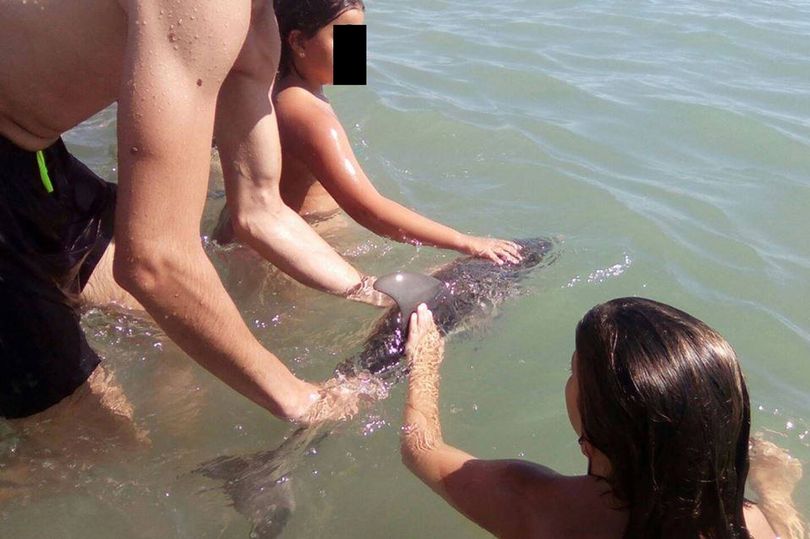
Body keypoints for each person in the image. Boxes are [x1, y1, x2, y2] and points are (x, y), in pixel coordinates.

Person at [0, 0, 375, 424]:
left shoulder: (257, 26)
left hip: (33, 153)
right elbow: (153, 261)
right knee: (96, 444)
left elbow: (260, 209)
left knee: (164, 327)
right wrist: (296, 398)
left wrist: (371, 291)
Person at [399, 299, 805, 538]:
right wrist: (777, 498)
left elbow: (421, 449)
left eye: (574, 369)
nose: (570, 373)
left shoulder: (537, 506)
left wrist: (424, 363)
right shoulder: (755, 524)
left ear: (595, 447)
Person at [214, 0, 523, 266]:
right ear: (298, 42)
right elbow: (368, 209)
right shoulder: (307, 114)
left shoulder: (270, 91)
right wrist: (466, 242)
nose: (357, 50)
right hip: (282, 251)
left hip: (255, 238)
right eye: (344, 37)